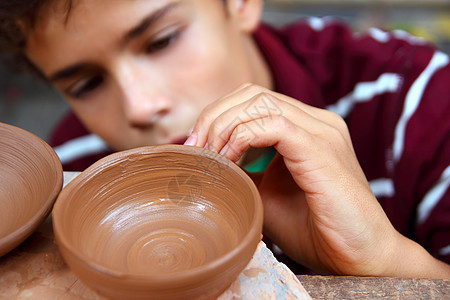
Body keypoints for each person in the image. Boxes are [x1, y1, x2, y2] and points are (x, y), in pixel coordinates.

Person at [1, 0, 449, 278]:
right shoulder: (73, 172)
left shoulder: (413, 99)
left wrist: (386, 260)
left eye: (161, 41)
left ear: (239, 3)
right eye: (85, 86)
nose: (139, 106)